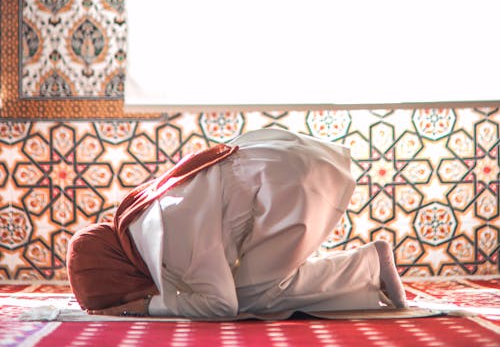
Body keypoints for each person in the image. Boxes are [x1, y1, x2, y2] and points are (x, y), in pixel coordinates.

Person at [67, 128, 407, 318]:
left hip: (287, 184)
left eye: (121, 295)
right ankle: (368, 266)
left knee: (254, 296)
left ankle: (371, 267)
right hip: (282, 164)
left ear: (120, 276)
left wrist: (144, 308)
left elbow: (221, 305)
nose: (134, 294)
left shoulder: (166, 241)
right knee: (254, 281)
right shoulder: (140, 220)